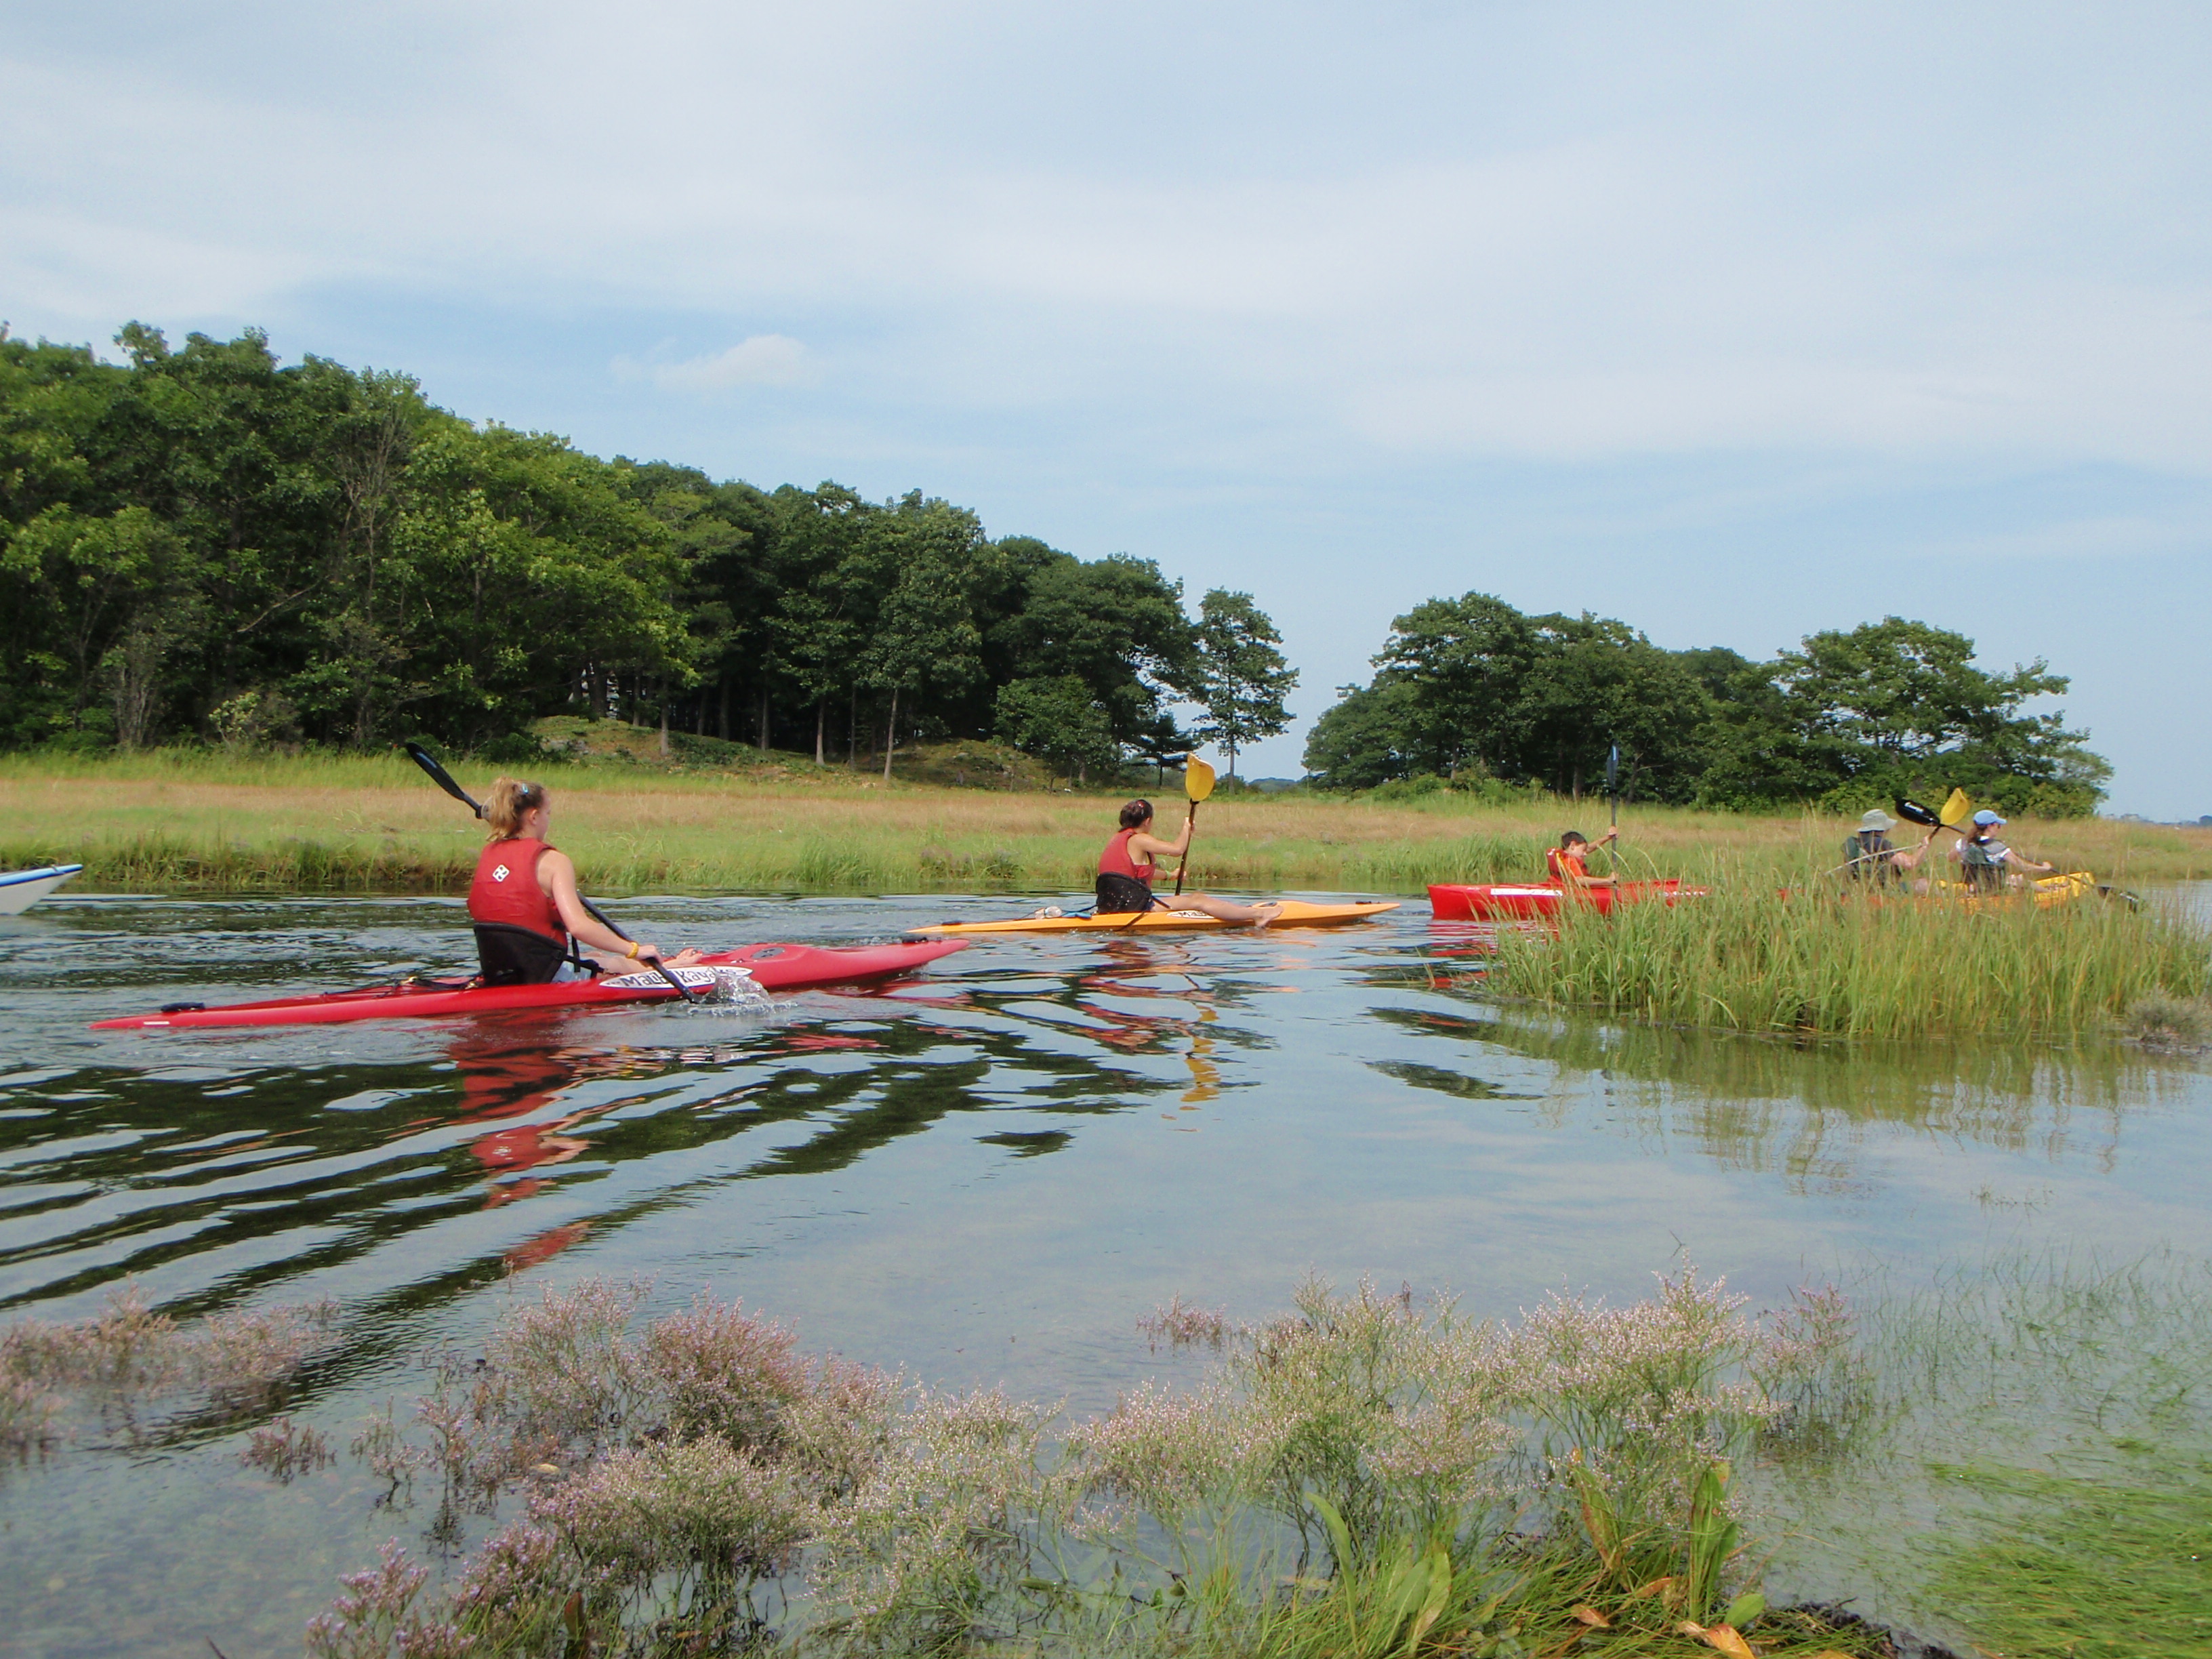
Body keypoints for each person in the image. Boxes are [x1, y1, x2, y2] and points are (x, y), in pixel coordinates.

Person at [466, 778, 702, 985]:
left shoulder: (489, 854)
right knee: (620, 964)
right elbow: (579, 927)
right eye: (548, 814)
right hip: (544, 977)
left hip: (501, 973)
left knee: (597, 958)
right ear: (534, 817)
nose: (549, 820)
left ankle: (648, 964)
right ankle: (671, 969)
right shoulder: (554, 861)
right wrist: (635, 950)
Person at [1096, 799, 1280, 926]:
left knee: (1195, 897)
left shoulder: (1117, 839)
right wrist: (1186, 827)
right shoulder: (1139, 839)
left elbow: (1135, 875)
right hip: (1134, 908)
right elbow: (1177, 850)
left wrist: (1170, 876)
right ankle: (1258, 915)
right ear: (1148, 821)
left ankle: (1243, 912)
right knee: (1198, 899)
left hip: (1112, 906)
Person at [1952, 808, 2053, 893]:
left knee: (2012, 878)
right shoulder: (1999, 847)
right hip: (1995, 890)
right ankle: (2050, 895)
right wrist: (2044, 868)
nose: (1999, 829)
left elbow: (1951, 858)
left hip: (1973, 888)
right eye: (1998, 826)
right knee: (2021, 880)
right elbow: (2025, 867)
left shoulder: (1963, 842)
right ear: (1990, 826)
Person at [1842, 808, 1936, 884]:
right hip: (1881, 889)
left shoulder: (1859, 842)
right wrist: (1924, 846)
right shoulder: (1879, 843)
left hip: (1862, 886)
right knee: (1924, 884)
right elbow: (1910, 863)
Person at [1545, 828, 1619, 890]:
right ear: (1573, 845)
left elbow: (1589, 848)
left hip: (1559, 887)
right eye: (1583, 850)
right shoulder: (1570, 861)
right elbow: (1579, 880)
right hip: (1572, 891)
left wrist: (1607, 838)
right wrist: (1608, 880)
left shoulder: (1561, 855)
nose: (1585, 854)